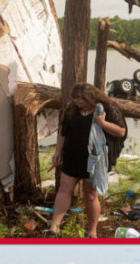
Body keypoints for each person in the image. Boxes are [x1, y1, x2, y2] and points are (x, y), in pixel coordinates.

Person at [47, 83, 126, 238]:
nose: (78, 103)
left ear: (91, 97)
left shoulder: (106, 108)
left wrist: (102, 123)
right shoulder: (72, 110)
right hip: (72, 156)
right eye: (76, 100)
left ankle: (92, 231)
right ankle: (53, 228)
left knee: (90, 195)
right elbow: (63, 131)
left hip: (94, 159)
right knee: (64, 189)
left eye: (81, 100)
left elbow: (121, 131)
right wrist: (58, 151)